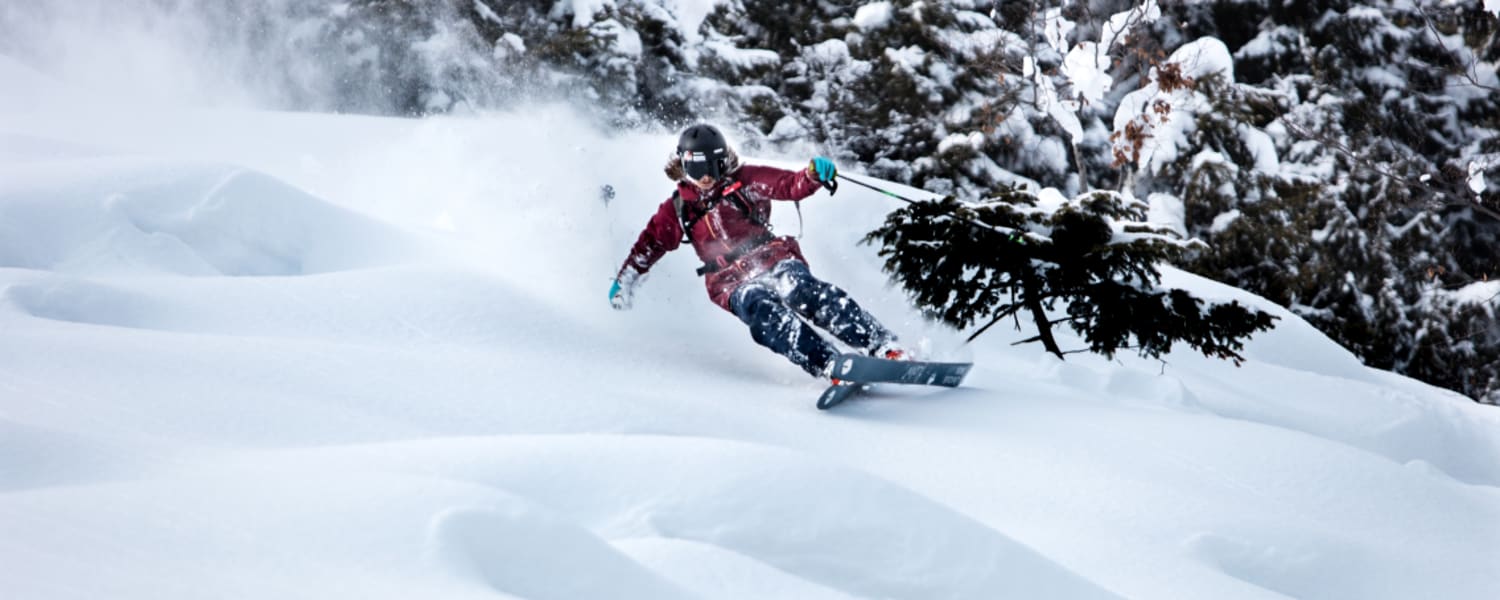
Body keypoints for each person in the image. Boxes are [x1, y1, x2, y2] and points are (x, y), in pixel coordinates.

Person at [608, 123, 905, 380]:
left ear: (723, 162)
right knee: (759, 307)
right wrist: (627, 278)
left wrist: (813, 176)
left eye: (712, 166)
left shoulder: (745, 180)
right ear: (684, 167)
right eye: (697, 168)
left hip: (771, 257)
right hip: (728, 280)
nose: (706, 177)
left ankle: (883, 346)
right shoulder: (679, 207)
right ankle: (829, 364)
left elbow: (788, 185)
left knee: (799, 288)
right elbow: (651, 244)